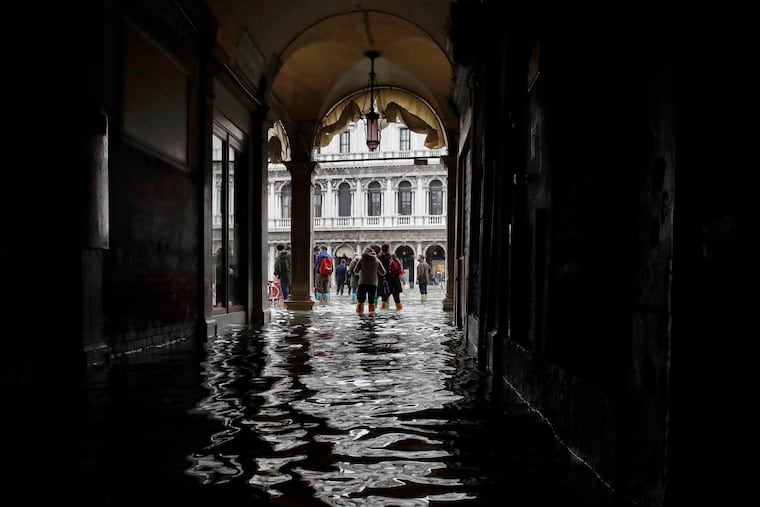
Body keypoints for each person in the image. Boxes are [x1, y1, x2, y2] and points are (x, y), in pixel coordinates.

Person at [353, 246, 386, 313]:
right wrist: (376, 270)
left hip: (362, 283)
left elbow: (355, 271)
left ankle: (360, 314)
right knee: (371, 301)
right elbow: (383, 272)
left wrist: (361, 273)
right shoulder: (377, 261)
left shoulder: (361, 260)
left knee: (360, 301)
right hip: (373, 283)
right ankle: (371, 315)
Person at [377, 243, 403, 310]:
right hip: (394, 280)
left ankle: (383, 312)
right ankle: (399, 311)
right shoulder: (392, 257)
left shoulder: (379, 258)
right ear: (388, 249)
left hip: (384, 281)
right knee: (397, 299)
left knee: (384, 299)